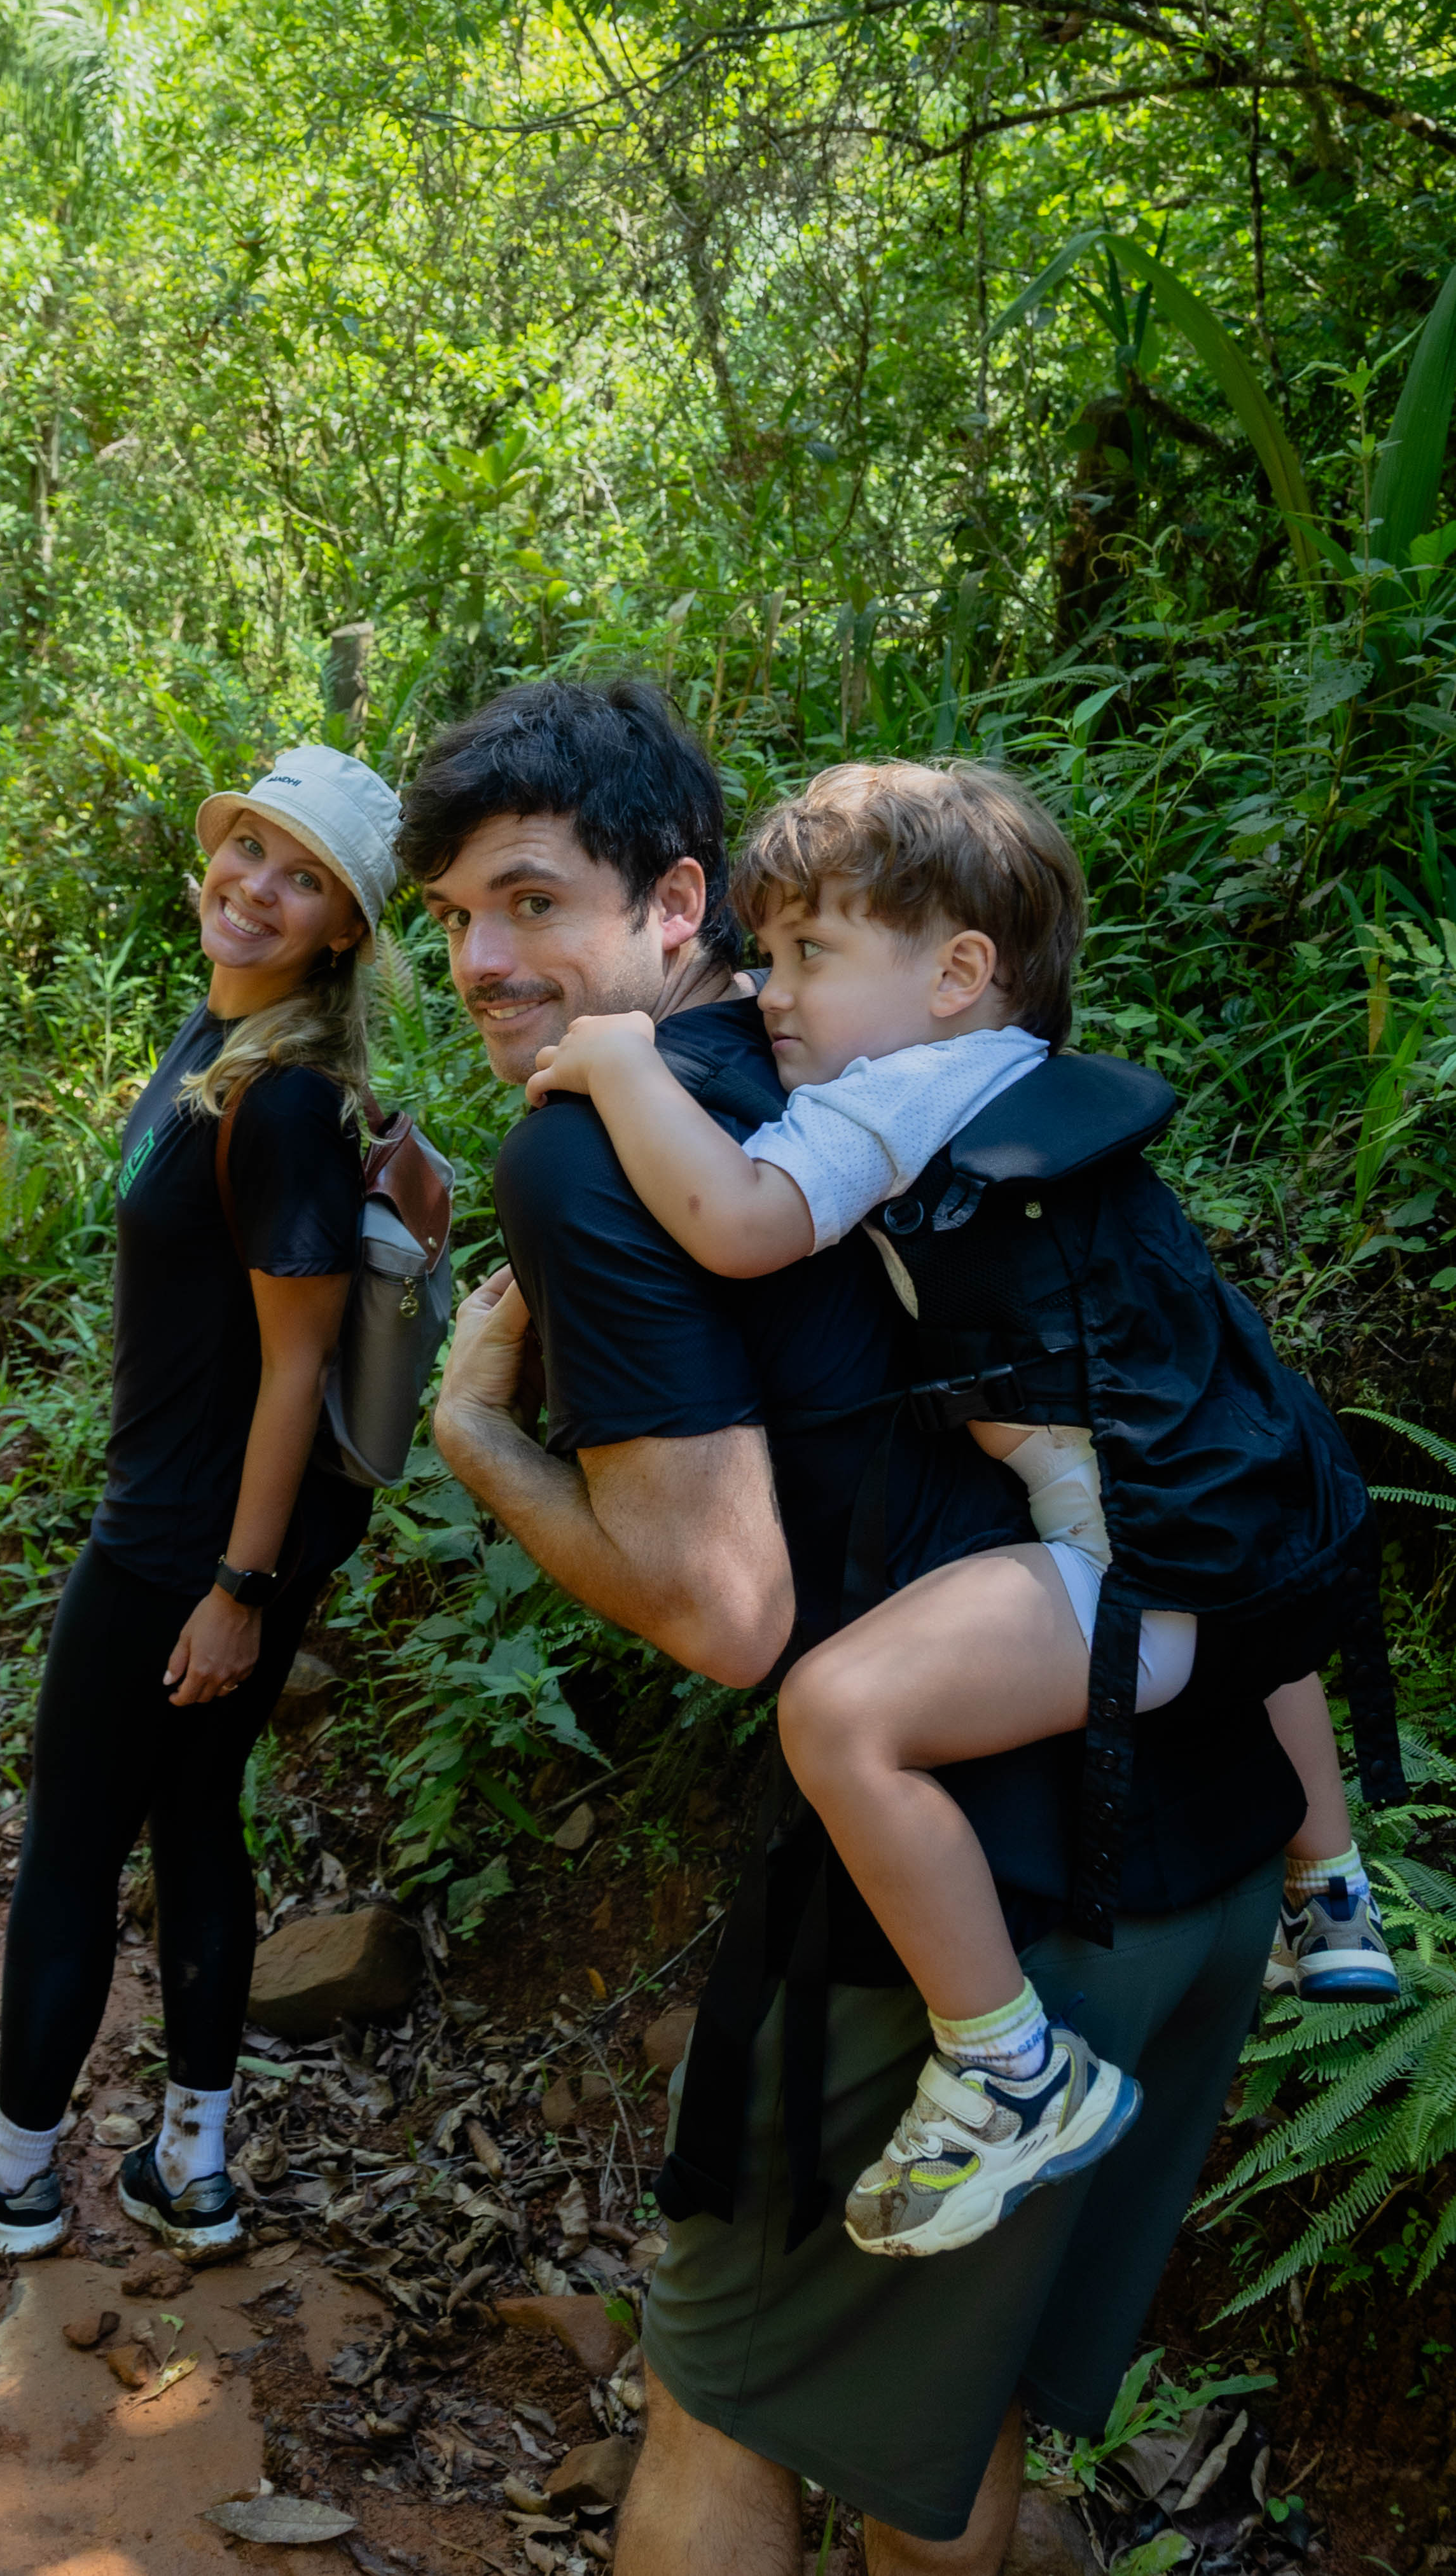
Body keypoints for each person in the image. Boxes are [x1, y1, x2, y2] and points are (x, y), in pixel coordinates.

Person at [401, 677, 1319, 2576]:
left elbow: (728, 1608)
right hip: (1200, 1824)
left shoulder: (595, 1148)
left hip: (968, 1893)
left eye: (531, 901)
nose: (485, 961)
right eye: (451, 919)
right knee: (934, 2428)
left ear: (679, 907)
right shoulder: (885, 1053)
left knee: (727, 2404)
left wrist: (483, 1439)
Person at [525, 754, 1397, 2262]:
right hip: (1227, 1522)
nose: (771, 991)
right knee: (1245, 1595)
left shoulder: (895, 1095)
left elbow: (739, 1226)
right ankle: (1334, 1895)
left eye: (811, 954)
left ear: (957, 974)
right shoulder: (1018, 1077)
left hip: (1124, 1578)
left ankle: (1006, 2060)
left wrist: (619, 1067)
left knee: (839, 1715)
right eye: (769, 951)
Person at [0, 744, 401, 2264]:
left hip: (185, 1544)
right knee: (196, 1820)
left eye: (298, 874)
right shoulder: (231, 1041)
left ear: (342, 926)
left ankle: (12, 2170)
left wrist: (235, 1591)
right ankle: (187, 2170)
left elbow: (294, 1365)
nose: (252, 883)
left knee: (76, 1837)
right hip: (206, 1528)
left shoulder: (284, 1101)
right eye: (247, 848)